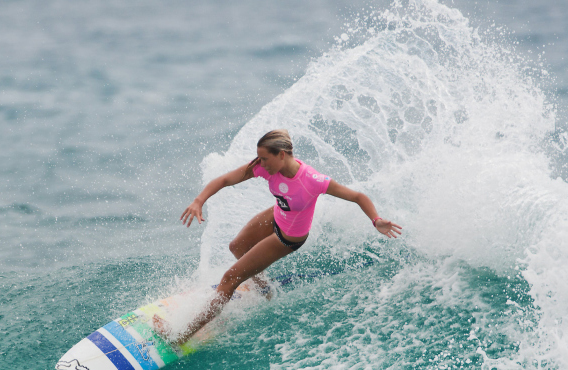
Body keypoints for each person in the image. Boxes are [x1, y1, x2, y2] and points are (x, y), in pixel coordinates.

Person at [153, 129, 401, 345]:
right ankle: (265, 289)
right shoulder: (265, 168)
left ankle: (179, 336)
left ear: (281, 155)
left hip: (289, 237)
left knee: (229, 278)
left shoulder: (312, 181)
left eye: (265, 158)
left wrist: (376, 220)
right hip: (279, 213)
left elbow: (357, 196)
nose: (260, 164)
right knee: (237, 246)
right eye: (259, 158)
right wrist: (199, 201)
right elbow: (226, 179)